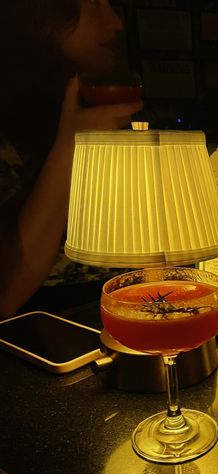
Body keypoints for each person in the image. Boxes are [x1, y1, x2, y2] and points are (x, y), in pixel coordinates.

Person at [0, 1, 144, 319]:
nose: (116, 23)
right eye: (92, 3)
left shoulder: (85, 102)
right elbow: (5, 296)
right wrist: (72, 144)